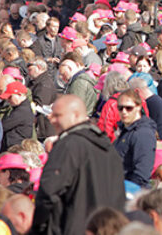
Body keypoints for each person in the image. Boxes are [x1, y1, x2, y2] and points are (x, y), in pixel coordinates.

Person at [33, 95, 125, 235]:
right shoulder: (108, 149)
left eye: (58, 115)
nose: (51, 119)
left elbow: (48, 192)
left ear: (75, 115)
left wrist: (37, 228)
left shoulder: (69, 145)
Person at [111, 89, 158, 188]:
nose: (124, 112)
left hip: (131, 191)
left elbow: (142, 172)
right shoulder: (125, 130)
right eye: (120, 108)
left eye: (129, 108)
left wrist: (127, 192)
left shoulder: (143, 134)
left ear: (138, 107)